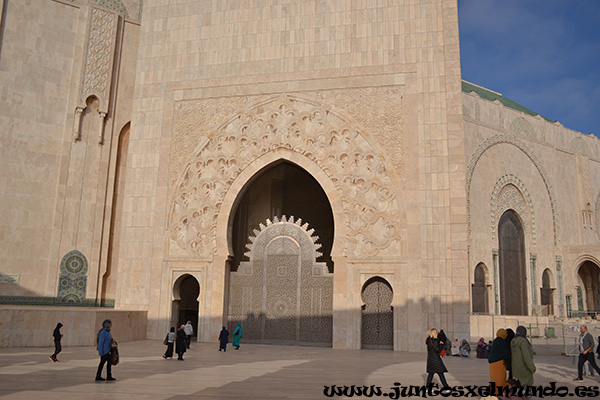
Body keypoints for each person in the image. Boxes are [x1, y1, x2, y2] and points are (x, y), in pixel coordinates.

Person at [488, 329, 510, 393]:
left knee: (495, 380)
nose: (506, 336)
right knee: (499, 381)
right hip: (499, 363)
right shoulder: (501, 342)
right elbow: (505, 353)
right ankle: (498, 396)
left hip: (493, 364)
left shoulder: (495, 341)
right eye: (505, 334)